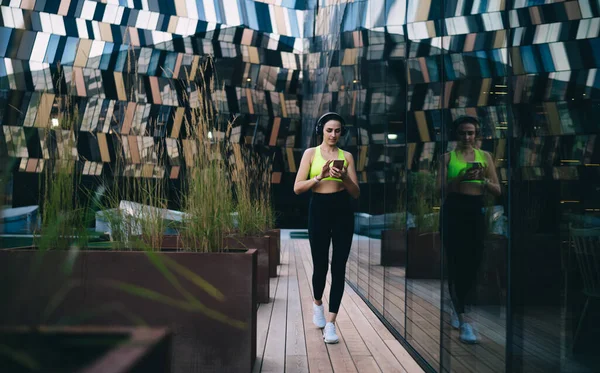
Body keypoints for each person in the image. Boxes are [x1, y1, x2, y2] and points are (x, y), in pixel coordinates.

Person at [293, 112, 360, 344]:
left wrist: (344, 178)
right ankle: (317, 304)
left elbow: (356, 192)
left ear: (342, 132)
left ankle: (331, 324)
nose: (333, 134)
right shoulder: (310, 154)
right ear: (321, 130)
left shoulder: (347, 157)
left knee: (339, 265)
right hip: (319, 208)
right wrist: (319, 177)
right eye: (329, 130)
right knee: (320, 264)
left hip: (342, 210)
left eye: (338, 130)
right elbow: (298, 188)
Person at [437, 116, 501, 344]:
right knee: (456, 262)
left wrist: (482, 181)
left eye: (471, 133)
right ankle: (465, 320)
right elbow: (440, 188)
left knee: (474, 261)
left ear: (476, 135)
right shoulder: (446, 158)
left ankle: (457, 304)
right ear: (456, 135)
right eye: (463, 133)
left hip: (475, 210)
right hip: (453, 210)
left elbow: (497, 189)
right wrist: (460, 178)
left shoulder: (485, 157)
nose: (467, 137)